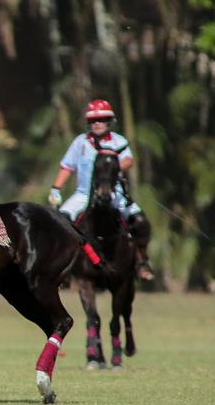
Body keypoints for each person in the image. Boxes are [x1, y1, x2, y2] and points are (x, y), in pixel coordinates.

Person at [48, 98, 153, 281]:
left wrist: (112, 165)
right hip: (83, 194)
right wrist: (56, 188)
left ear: (109, 121)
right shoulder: (80, 142)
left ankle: (141, 261)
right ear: (89, 123)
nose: (98, 124)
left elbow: (129, 160)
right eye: (94, 121)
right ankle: (64, 267)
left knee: (141, 221)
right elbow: (67, 166)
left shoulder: (118, 141)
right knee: (61, 222)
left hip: (114, 194)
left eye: (102, 119)